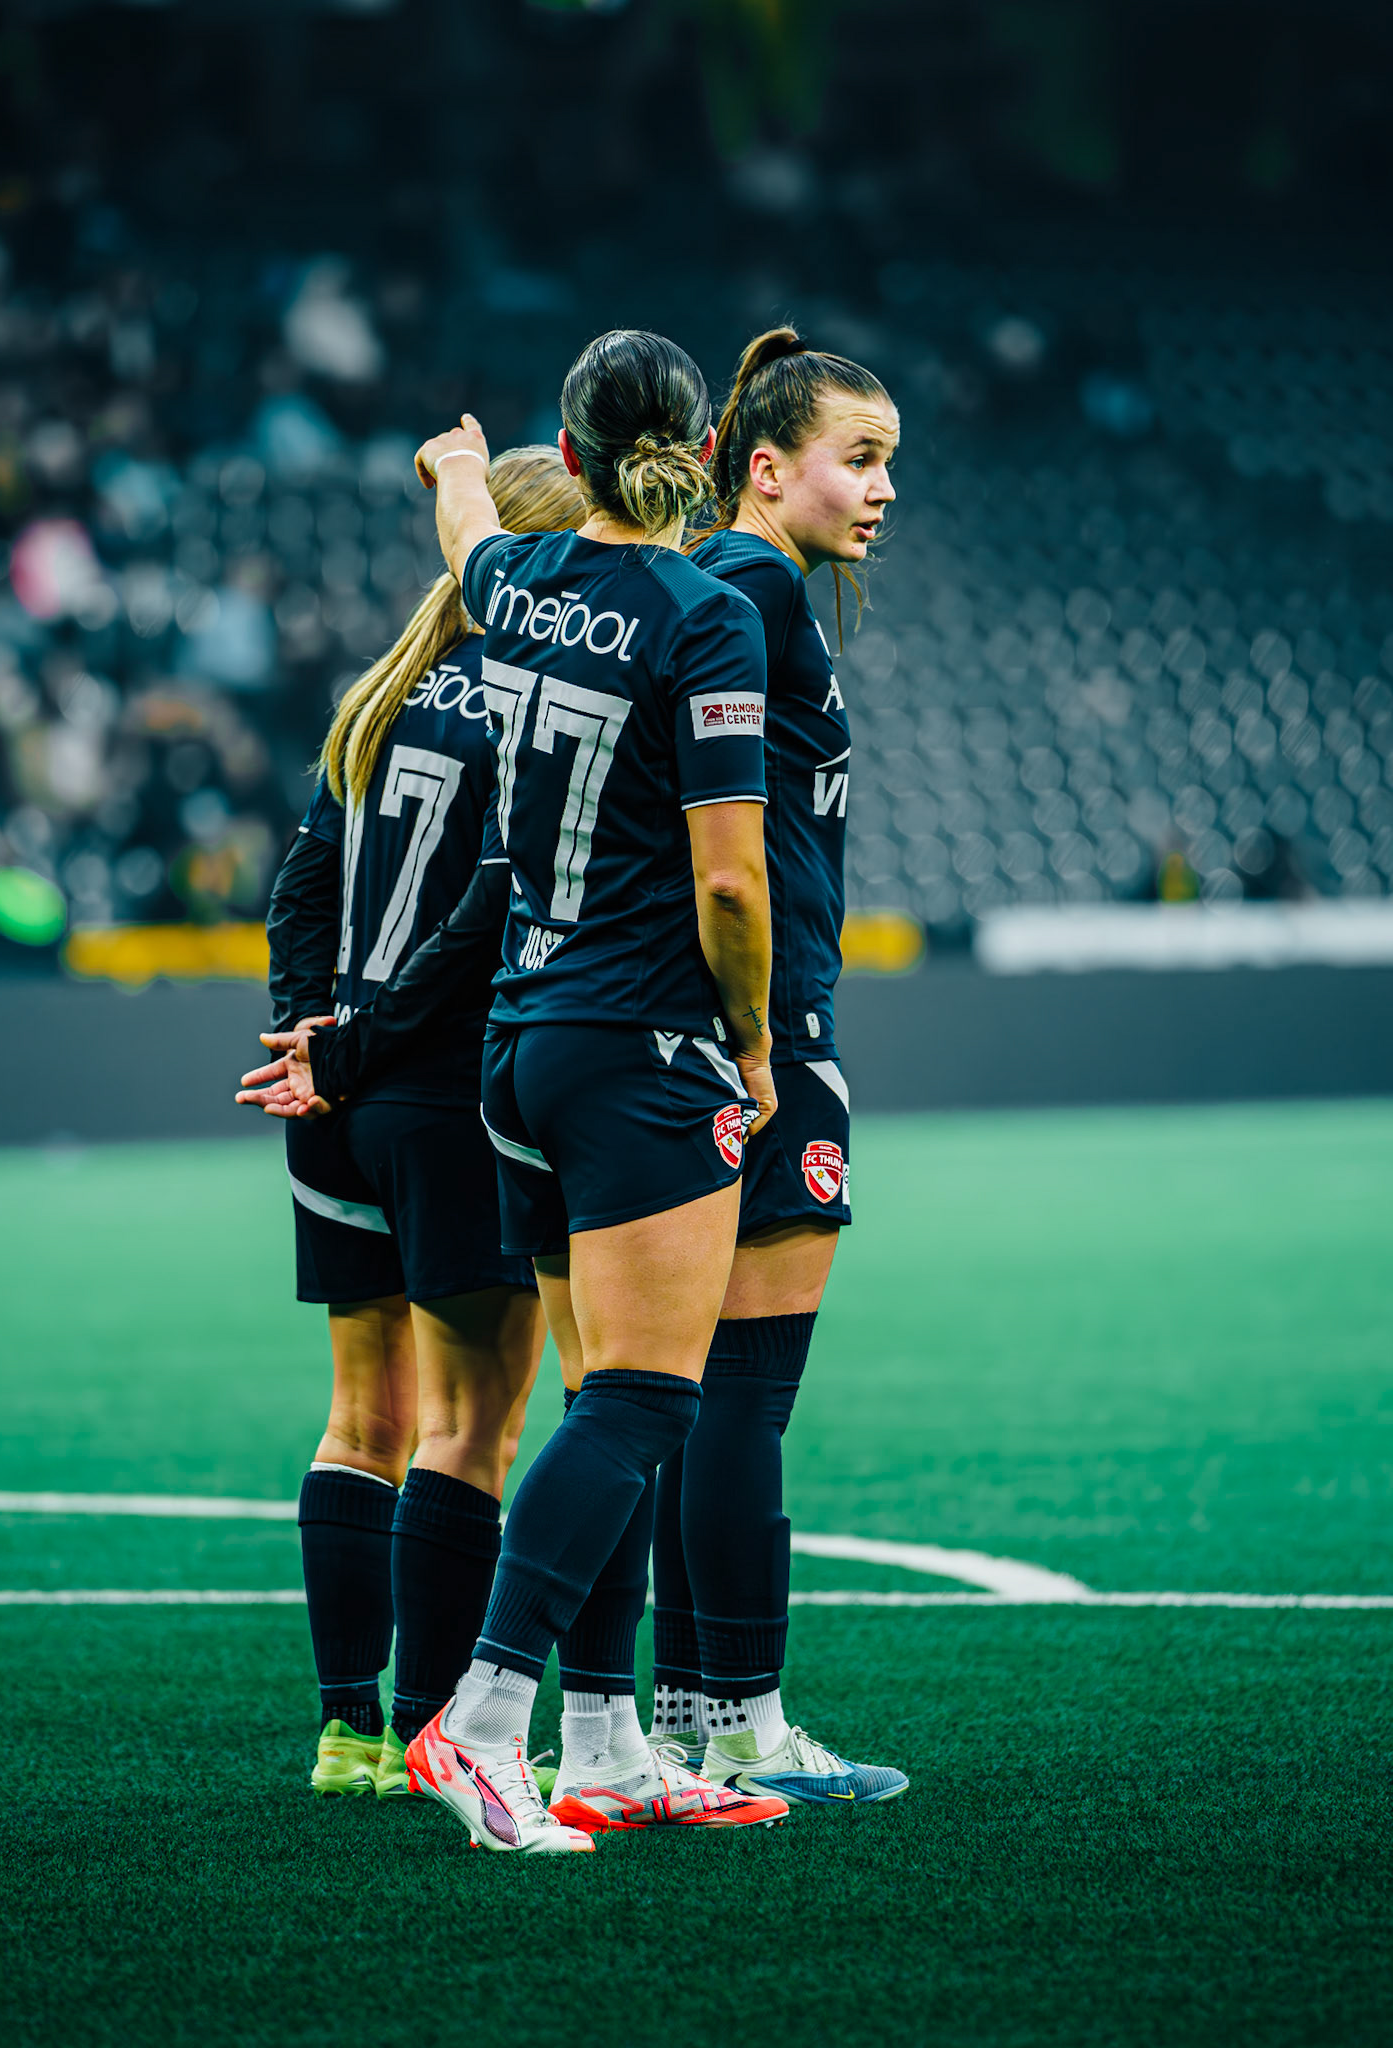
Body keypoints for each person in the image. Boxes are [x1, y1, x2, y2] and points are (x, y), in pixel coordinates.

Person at [262, 329, 791, 1851]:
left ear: (570, 457)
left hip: (510, 1051)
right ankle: (487, 1720)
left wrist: (447, 463)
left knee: (531, 1394)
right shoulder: (703, 614)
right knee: (631, 1399)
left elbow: (468, 534)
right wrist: (751, 1045)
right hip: (636, 1044)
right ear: (699, 454)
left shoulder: (510, 594)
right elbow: (734, 884)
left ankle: (605, 1743)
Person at [236, 446, 585, 1801]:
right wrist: (365, 1044)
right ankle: (444, 1736)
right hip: (440, 1101)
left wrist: (307, 1040)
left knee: (358, 1415)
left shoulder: (380, 694)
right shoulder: (525, 707)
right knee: (470, 1430)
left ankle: (349, 1734)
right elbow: (489, 913)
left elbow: (302, 882)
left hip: (331, 1099)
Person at [649, 327, 910, 1802]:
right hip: (764, 1038)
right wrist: (764, 1039)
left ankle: (690, 1714)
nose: (880, 492)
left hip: (692, 1032)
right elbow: (730, 864)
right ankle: (748, 1720)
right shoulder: (750, 594)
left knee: (698, 1395)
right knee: (747, 1392)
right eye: (857, 460)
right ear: (767, 465)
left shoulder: (726, 586)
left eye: (888, 466)